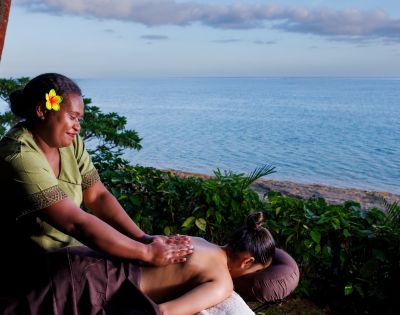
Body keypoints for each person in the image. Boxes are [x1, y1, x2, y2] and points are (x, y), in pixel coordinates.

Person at [0, 73, 193, 312]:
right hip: (29, 270)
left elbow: (97, 196)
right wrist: (147, 253)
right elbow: (75, 222)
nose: (77, 126)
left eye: (79, 118)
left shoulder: (70, 144)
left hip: (68, 257)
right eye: (72, 117)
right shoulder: (18, 155)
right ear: (42, 110)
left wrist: (143, 239)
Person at [17, 211, 274, 314]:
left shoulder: (198, 240)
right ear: (247, 260)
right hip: (94, 286)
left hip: (81, 257)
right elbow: (163, 312)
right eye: (255, 270)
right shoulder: (222, 283)